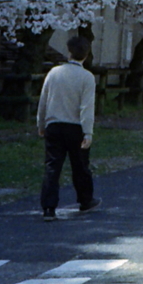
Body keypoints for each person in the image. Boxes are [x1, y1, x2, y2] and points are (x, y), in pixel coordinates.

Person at [37, 36, 102, 221]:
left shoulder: (54, 73)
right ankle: (85, 200)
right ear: (86, 55)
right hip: (75, 127)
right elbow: (86, 107)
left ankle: (48, 208)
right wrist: (88, 132)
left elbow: (43, 101)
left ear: (69, 52)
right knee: (80, 166)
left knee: (52, 167)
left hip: (54, 125)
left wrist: (41, 124)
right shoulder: (87, 77)